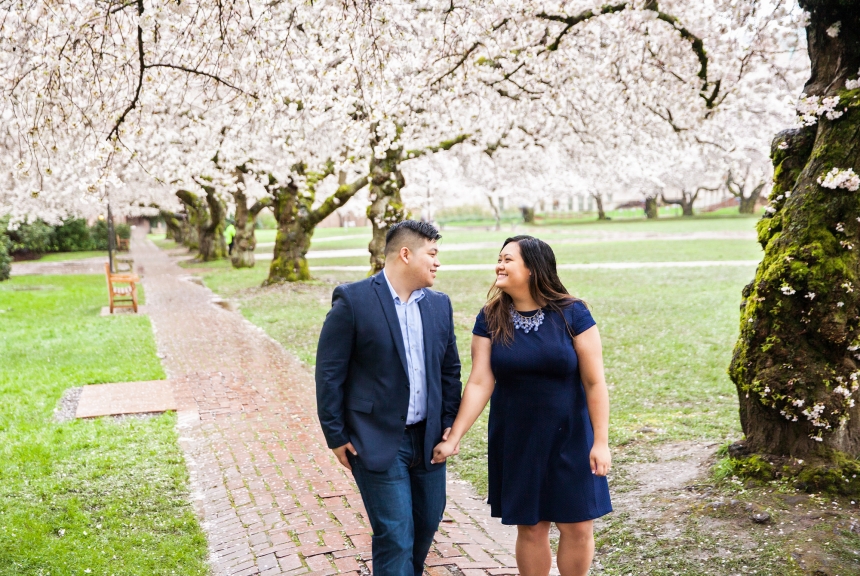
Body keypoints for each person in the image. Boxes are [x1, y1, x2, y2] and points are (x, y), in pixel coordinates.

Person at [432, 235, 612, 576]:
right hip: (516, 435)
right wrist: (454, 437)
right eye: (499, 259)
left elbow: (594, 382)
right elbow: (480, 381)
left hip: (572, 435)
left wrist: (600, 442)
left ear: (532, 268)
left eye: (507, 259)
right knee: (530, 526)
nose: (499, 265)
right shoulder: (490, 317)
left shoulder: (573, 313)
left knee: (577, 525)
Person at [315, 220, 462, 576]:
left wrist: (447, 425)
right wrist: (336, 435)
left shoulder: (439, 305)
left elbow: (450, 371)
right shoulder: (353, 300)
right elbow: (329, 373)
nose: (437, 262)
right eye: (433, 253)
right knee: (395, 534)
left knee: (425, 525)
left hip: (428, 441)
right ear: (406, 254)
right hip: (376, 439)